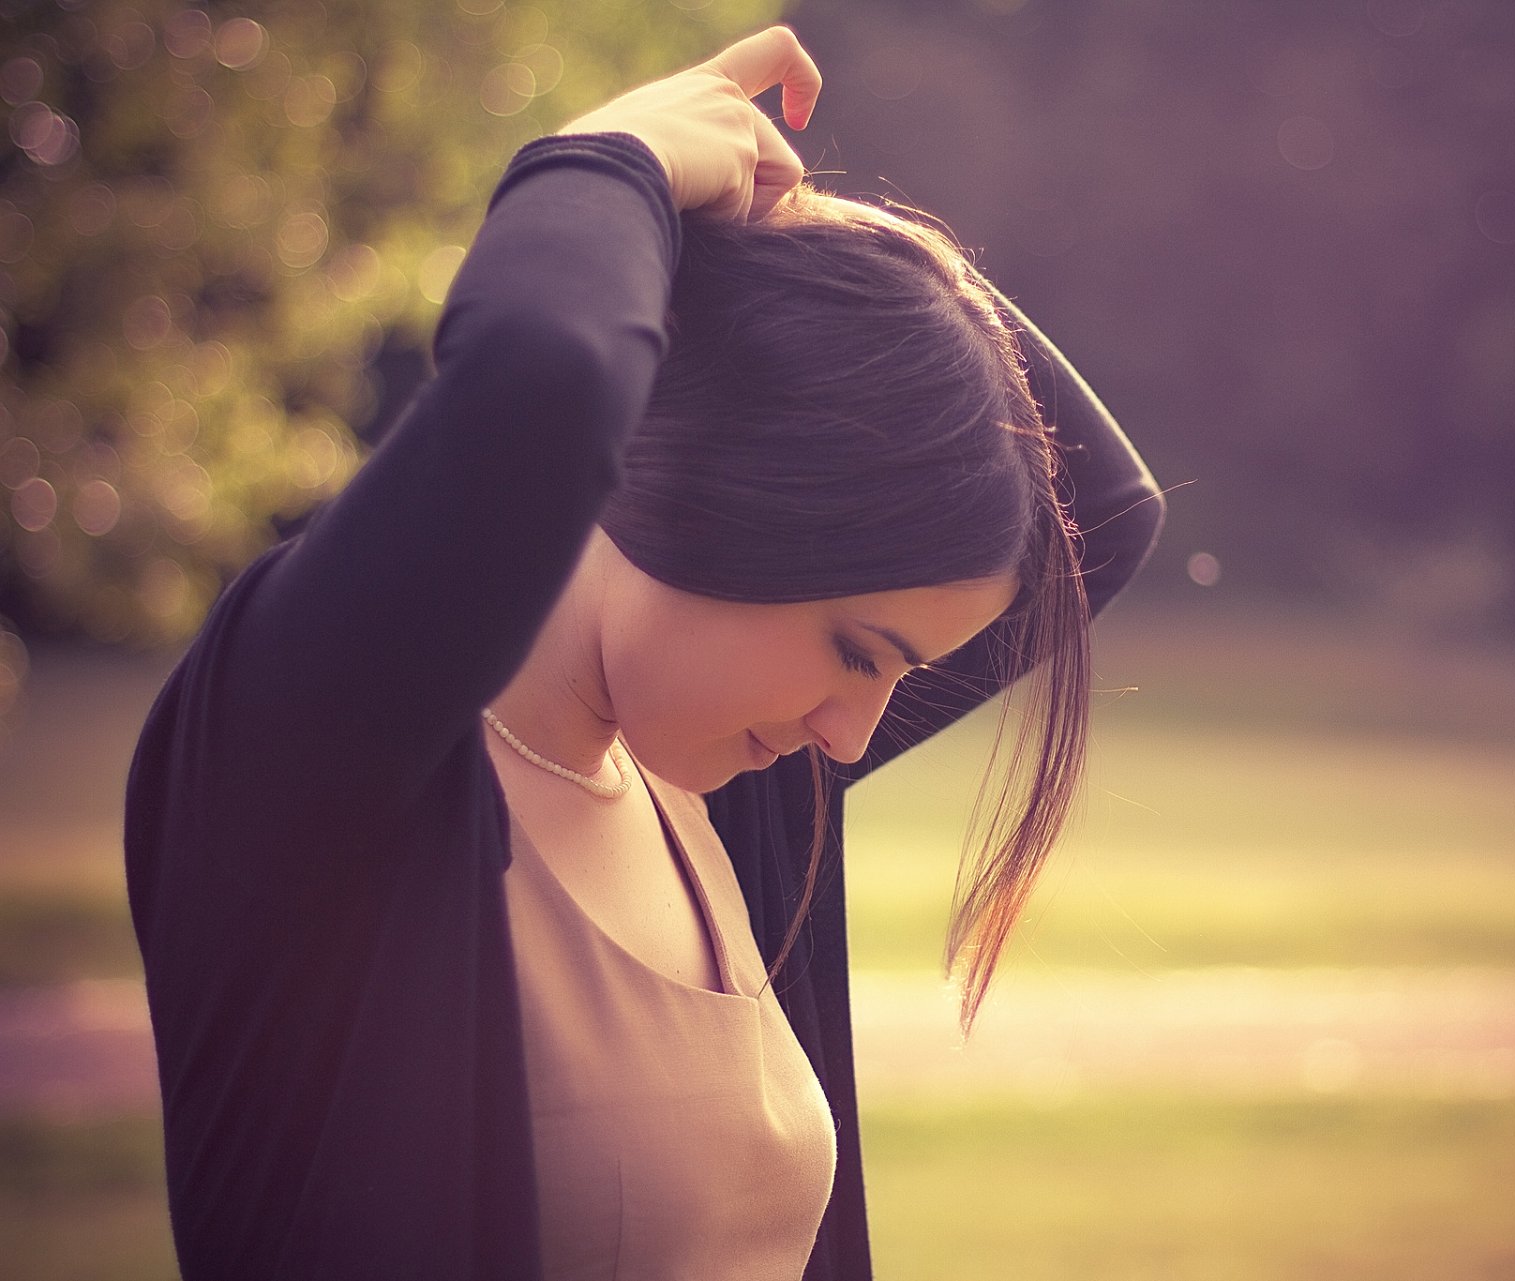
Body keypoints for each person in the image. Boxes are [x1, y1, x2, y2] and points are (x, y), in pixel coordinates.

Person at [124, 26, 1162, 1281]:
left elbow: (1097, 508)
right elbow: (543, 374)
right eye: (851, 649)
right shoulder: (313, 759)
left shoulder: (722, 795)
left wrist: (794, 234)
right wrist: (612, 168)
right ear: (728, 493)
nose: (853, 729)